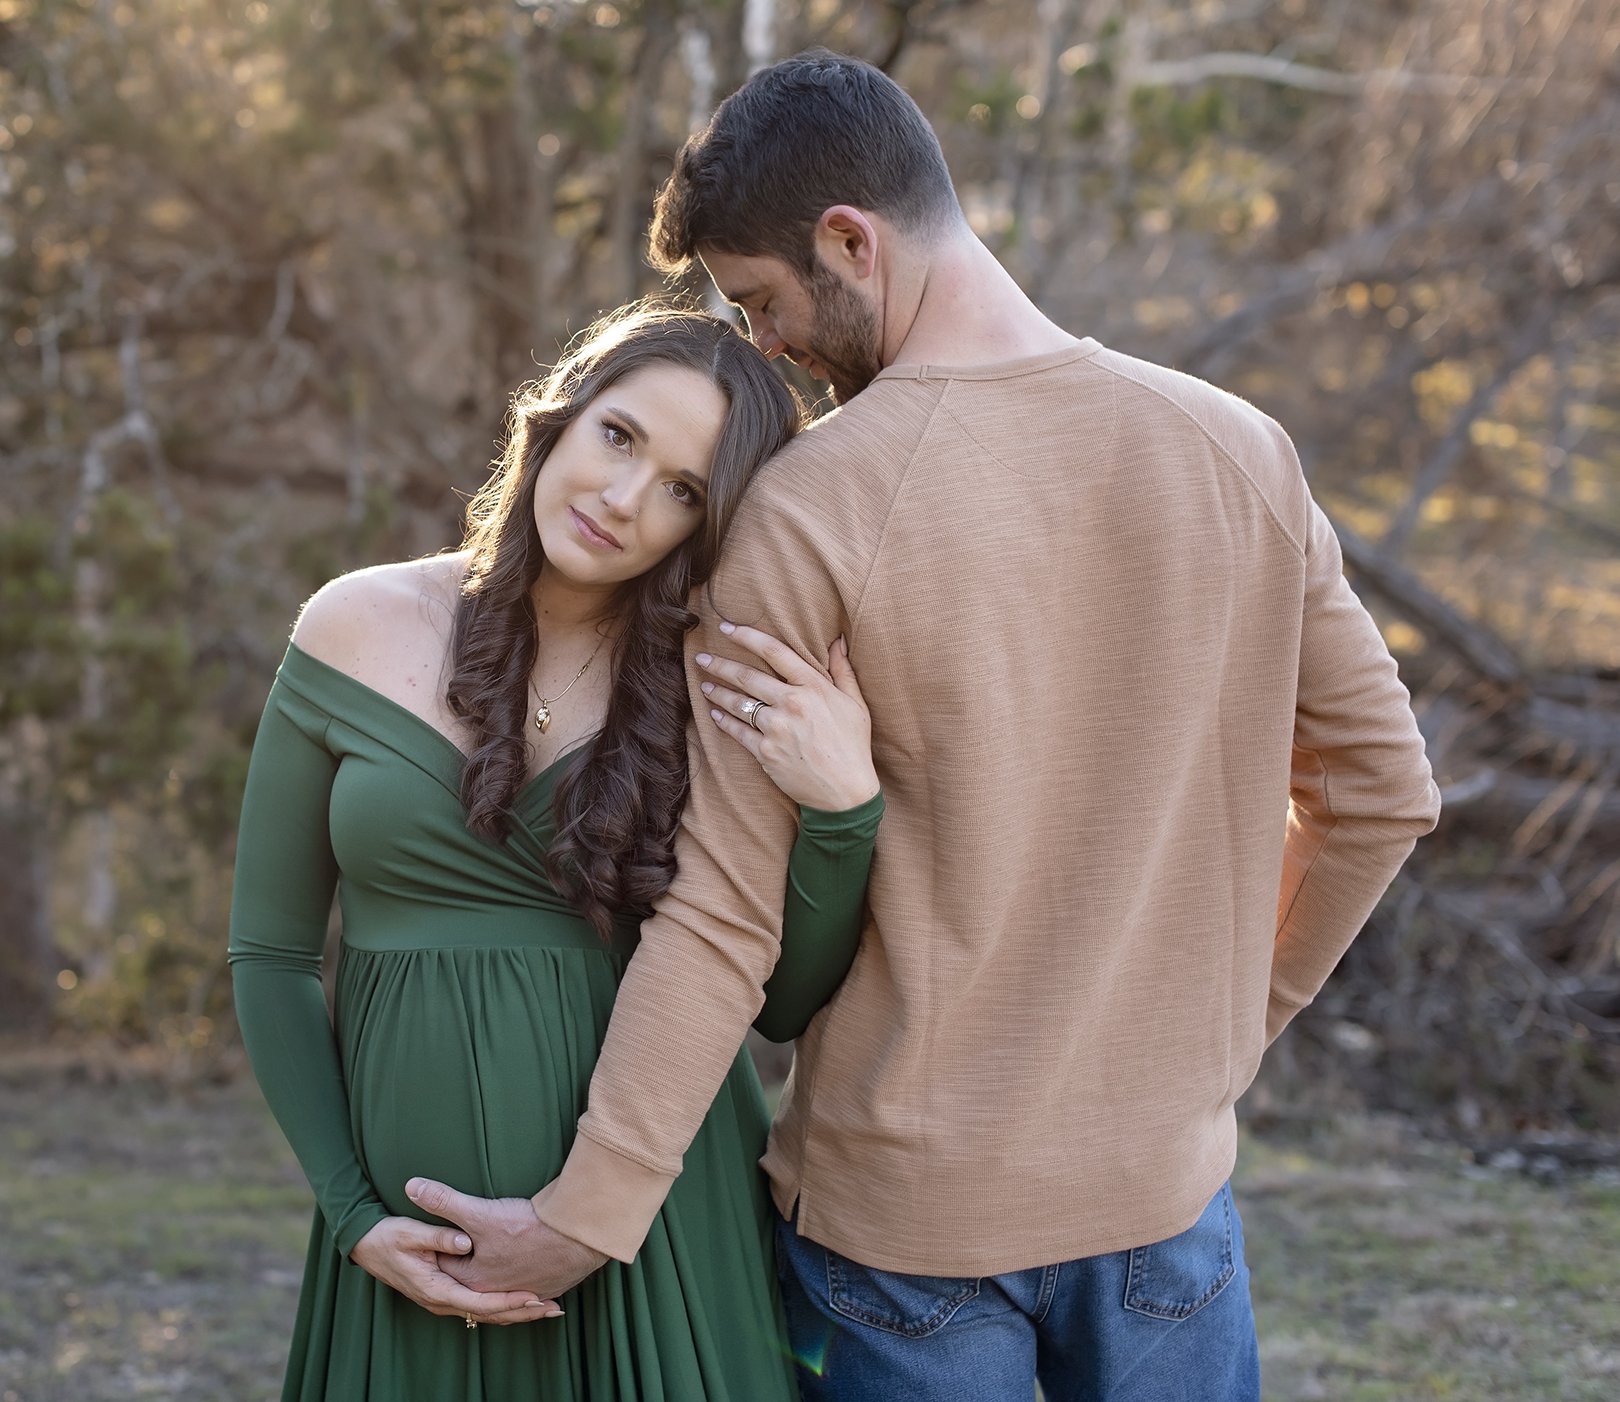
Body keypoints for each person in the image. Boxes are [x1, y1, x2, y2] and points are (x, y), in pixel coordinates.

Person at [413, 50, 1442, 1402]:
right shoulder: (1238, 448)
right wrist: (1226, 1038)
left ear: (854, 238)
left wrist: (583, 1217)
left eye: (766, 301)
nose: (765, 343)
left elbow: (725, 916)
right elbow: (1382, 796)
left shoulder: (811, 507)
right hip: (1166, 1208)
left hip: (904, 1244)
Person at [226, 302, 888, 1400]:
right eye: (619, 438)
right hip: (411, 1234)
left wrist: (844, 811)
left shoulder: (714, 684)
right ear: (561, 419)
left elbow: (781, 1001)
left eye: (683, 489)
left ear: (709, 526)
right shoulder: (352, 625)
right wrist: (351, 1213)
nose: (624, 500)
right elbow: (272, 951)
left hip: (655, 1233)